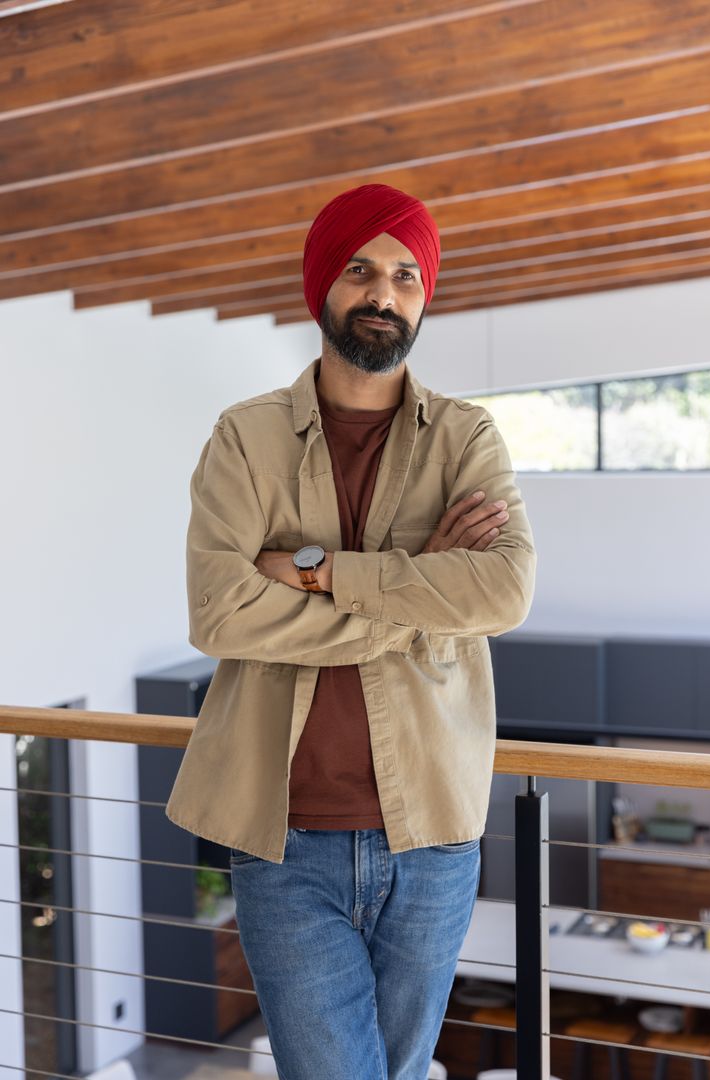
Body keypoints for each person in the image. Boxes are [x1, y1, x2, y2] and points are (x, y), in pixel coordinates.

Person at [165, 182, 537, 1080]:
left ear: (425, 295)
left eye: (407, 276)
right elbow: (219, 611)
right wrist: (411, 609)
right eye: (361, 270)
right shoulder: (245, 439)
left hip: (433, 837)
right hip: (282, 835)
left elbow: (503, 590)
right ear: (322, 287)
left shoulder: (466, 436)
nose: (384, 293)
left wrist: (321, 571)